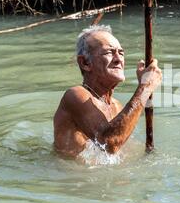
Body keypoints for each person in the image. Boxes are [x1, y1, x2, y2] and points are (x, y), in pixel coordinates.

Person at [53, 25, 162, 159]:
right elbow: (110, 144)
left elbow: (123, 151)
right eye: (109, 53)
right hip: (74, 178)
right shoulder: (75, 95)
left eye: (121, 53)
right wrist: (145, 88)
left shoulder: (117, 106)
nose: (118, 59)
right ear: (85, 63)